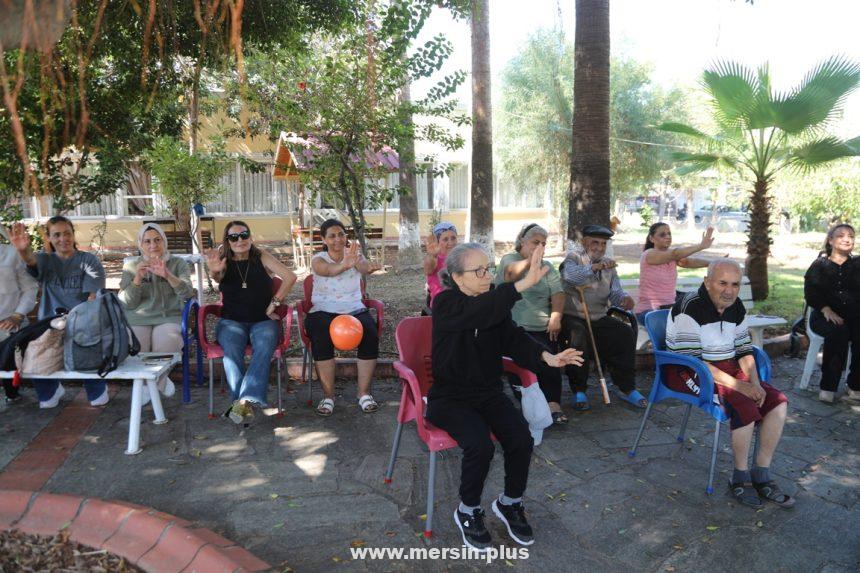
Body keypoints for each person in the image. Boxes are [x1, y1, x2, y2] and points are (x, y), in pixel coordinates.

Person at [429, 242, 583, 551]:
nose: (488, 276)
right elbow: (475, 313)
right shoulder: (445, 304)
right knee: (480, 445)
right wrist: (521, 284)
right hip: (450, 398)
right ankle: (468, 509)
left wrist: (547, 357)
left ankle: (510, 502)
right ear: (458, 278)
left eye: (489, 268)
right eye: (479, 270)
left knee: (521, 439)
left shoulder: (493, 307)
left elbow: (515, 340)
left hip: (488, 394)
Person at [665, 260, 794, 509]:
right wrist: (741, 387)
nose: (729, 290)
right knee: (743, 403)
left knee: (776, 401)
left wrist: (755, 383)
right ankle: (740, 476)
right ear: (707, 281)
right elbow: (693, 361)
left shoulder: (736, 306)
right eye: (722, 283)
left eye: (735, 284)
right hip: (687, 370)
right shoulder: (688, 307)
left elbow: (745, 349)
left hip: (725, 367)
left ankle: (761, 473)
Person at [8, 217, 107, 408]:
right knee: (46, 402)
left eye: (67, 233)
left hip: (82, 324)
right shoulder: (45, 260)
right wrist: (22, 249)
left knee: (98, 401)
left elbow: (92, 299)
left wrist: (73, 323)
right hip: (49, 326)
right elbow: (31, 260)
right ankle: (52, 389)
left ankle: (96, 389)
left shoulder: (89, 261)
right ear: (50, 238)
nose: (63, 239)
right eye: (57, 235)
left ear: (73, 234)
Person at [205, 221, 296, 424]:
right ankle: (243, 403)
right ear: (227, 241)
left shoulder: (261, 256)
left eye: (244, 235)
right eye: (234, 237)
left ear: (250, 237)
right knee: (231, 350)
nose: (240, 240)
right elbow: (218, 276)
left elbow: (290, 276)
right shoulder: (223, 260)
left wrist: (275, 302)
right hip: (231, 321)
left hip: (262, 320)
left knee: (264, 346)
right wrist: (213, 271)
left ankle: (242, 402)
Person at [560, 224, 647, 410]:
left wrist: (623, 300)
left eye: (603, 244)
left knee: (624, 333)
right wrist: (594, 268)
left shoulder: (609, 266)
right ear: (584, 242)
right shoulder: (573, 258)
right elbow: (570, 277)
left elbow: (615, 293)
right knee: (577, 335)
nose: (599, 248)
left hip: (598, 317)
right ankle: (579, 390)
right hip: (573, 316)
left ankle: (626, 387)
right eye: (595, 243)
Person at [306, 219, 382, 417]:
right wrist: (345, 264)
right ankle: (328, 396)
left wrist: (368, 267)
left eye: (341, 234)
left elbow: (364, 267)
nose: (338, 239)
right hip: (323, 310)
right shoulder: (318, 259)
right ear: (323, 239)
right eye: (332, 236)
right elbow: (328, 271)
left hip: (354, 310)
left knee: (370, 334)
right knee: (321, 336)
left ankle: (364, 394)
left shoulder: (355, 255)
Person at [495, 223, 568, 423]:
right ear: (522, 242)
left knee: (551, 360)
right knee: (522, 362)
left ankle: (553, 404)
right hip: (516, 326)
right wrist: (531, 261)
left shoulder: (548, 266)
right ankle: (532, 404)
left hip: (544, 326)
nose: (540, 247)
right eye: (535, 242)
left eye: (543, 243)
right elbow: (511, 274)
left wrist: (556, 316)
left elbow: (558, 293)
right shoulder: (510, 259)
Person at [118, 223, 195, 399]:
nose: (153, 245)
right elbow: (127, 304)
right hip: (138, 319)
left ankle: (149, 388)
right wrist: (137, 279)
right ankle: (158, 385)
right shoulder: (131, 266)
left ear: (164, 241)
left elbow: (187, 293)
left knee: (166, 345)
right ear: (140, 244)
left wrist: (167, 275)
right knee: (136, 350)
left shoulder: (177, 264)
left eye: (157, 240)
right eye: (147, 241)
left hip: (168, 317)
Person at [803, 224, 860, 403]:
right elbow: (811, 292)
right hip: (823, 315)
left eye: (850, 236)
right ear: (831, 240)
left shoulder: (858, 264)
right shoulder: (820, 264)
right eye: (841, 235)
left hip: (855, 316)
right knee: (839, 331)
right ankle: (828, 386)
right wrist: (826, 309)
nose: (846, 239)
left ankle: (855, 385)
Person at [634, 223, 719, 323]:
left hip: (669, 309)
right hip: (649, 312)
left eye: (669, 234)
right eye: (662, 235)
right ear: (651, 239)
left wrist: (715, 263)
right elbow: (675, 254)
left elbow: (689, 262)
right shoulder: (649, 254)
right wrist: (701, 246)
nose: (668, 237)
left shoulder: (672, 257)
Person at [0, 225, 39, 403]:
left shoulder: (11, 254)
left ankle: (12, 394)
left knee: (10, 381)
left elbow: (30, 288)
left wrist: (18, 314)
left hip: (10, 328)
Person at [422, 221, 458, 312]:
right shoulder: (434, 259)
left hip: (459, 303)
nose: (450, 242)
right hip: (442, 307)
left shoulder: (460, 257)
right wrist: (432, 255)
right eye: (445, 239)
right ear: (437, 242)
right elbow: (428, 269)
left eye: (453, 238)